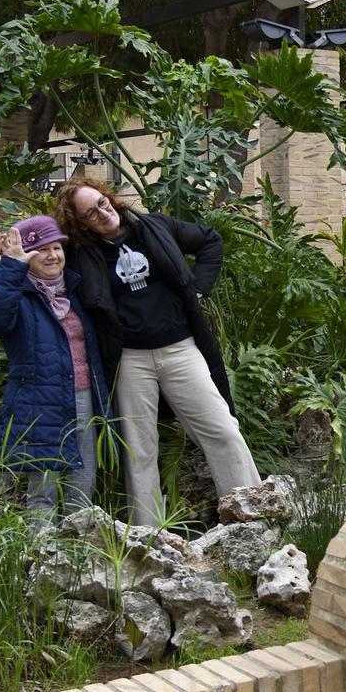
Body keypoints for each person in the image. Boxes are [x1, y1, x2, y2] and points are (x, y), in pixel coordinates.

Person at [51, 177, 260, 529]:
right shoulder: (79, 254)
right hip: (130, 359)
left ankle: (251, 516)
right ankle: (150, 539)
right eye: (90, 213)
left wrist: (198, 289)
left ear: (110, 198)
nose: (102, 213)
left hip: (180, 348)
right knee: (139, 450)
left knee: (222, 429)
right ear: (80, 223)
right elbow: (43, 274)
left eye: (102, 202)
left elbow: (210, 241)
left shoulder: (155, 226)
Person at [0, 216, 109, 517]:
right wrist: (8, 271)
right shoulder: (18, 294)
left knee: (83, 489)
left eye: (56, 247)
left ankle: (78, 556)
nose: (51, 255)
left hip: (84, 398)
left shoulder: (76, 289)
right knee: (43, 494)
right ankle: (42, 557)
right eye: (40, 249)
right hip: (39, 402)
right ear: (24, 256)